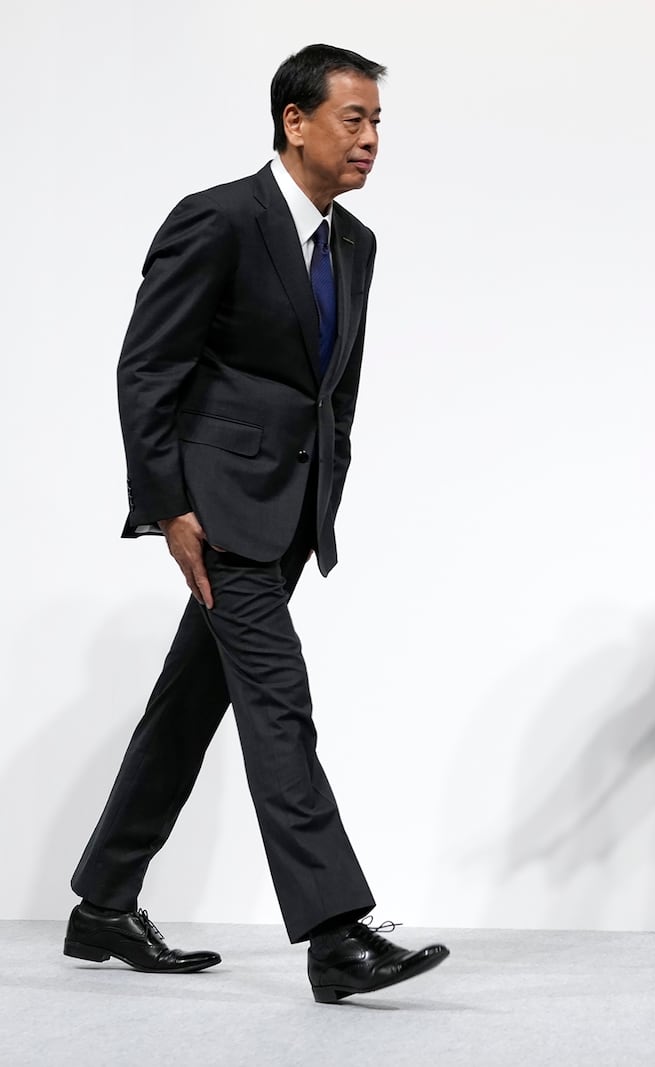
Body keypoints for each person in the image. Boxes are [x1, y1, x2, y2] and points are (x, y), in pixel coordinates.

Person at [66, 44, 448, 1003]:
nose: (369, 140)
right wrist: (168, 507)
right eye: (352, 120)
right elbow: (147, 368)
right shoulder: (219, 218)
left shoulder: (355, 244)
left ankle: (104, 902)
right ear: (295, 120)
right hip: (220, 512)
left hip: (289, 513)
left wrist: (329, 485)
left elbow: (335, 393)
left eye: (376, 125)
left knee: (189, 705)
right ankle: (334, 933)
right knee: (279, 702)